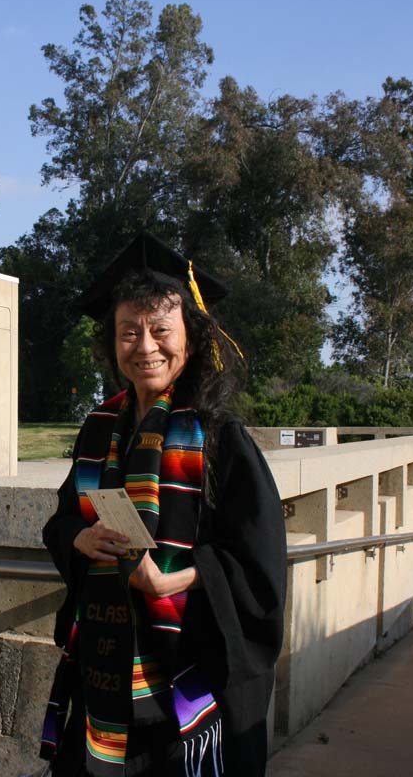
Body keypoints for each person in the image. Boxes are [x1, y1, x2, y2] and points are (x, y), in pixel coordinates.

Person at [39, 233, 286, 777]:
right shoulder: (99, 428)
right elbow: (61, 521)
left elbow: (259, 563)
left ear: (191, 341)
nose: (144, 346)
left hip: (187, 676)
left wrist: (178, 579)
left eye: (160, 330)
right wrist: (77, 539)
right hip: (103, 666)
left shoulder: (220, 437)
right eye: (129, 332)